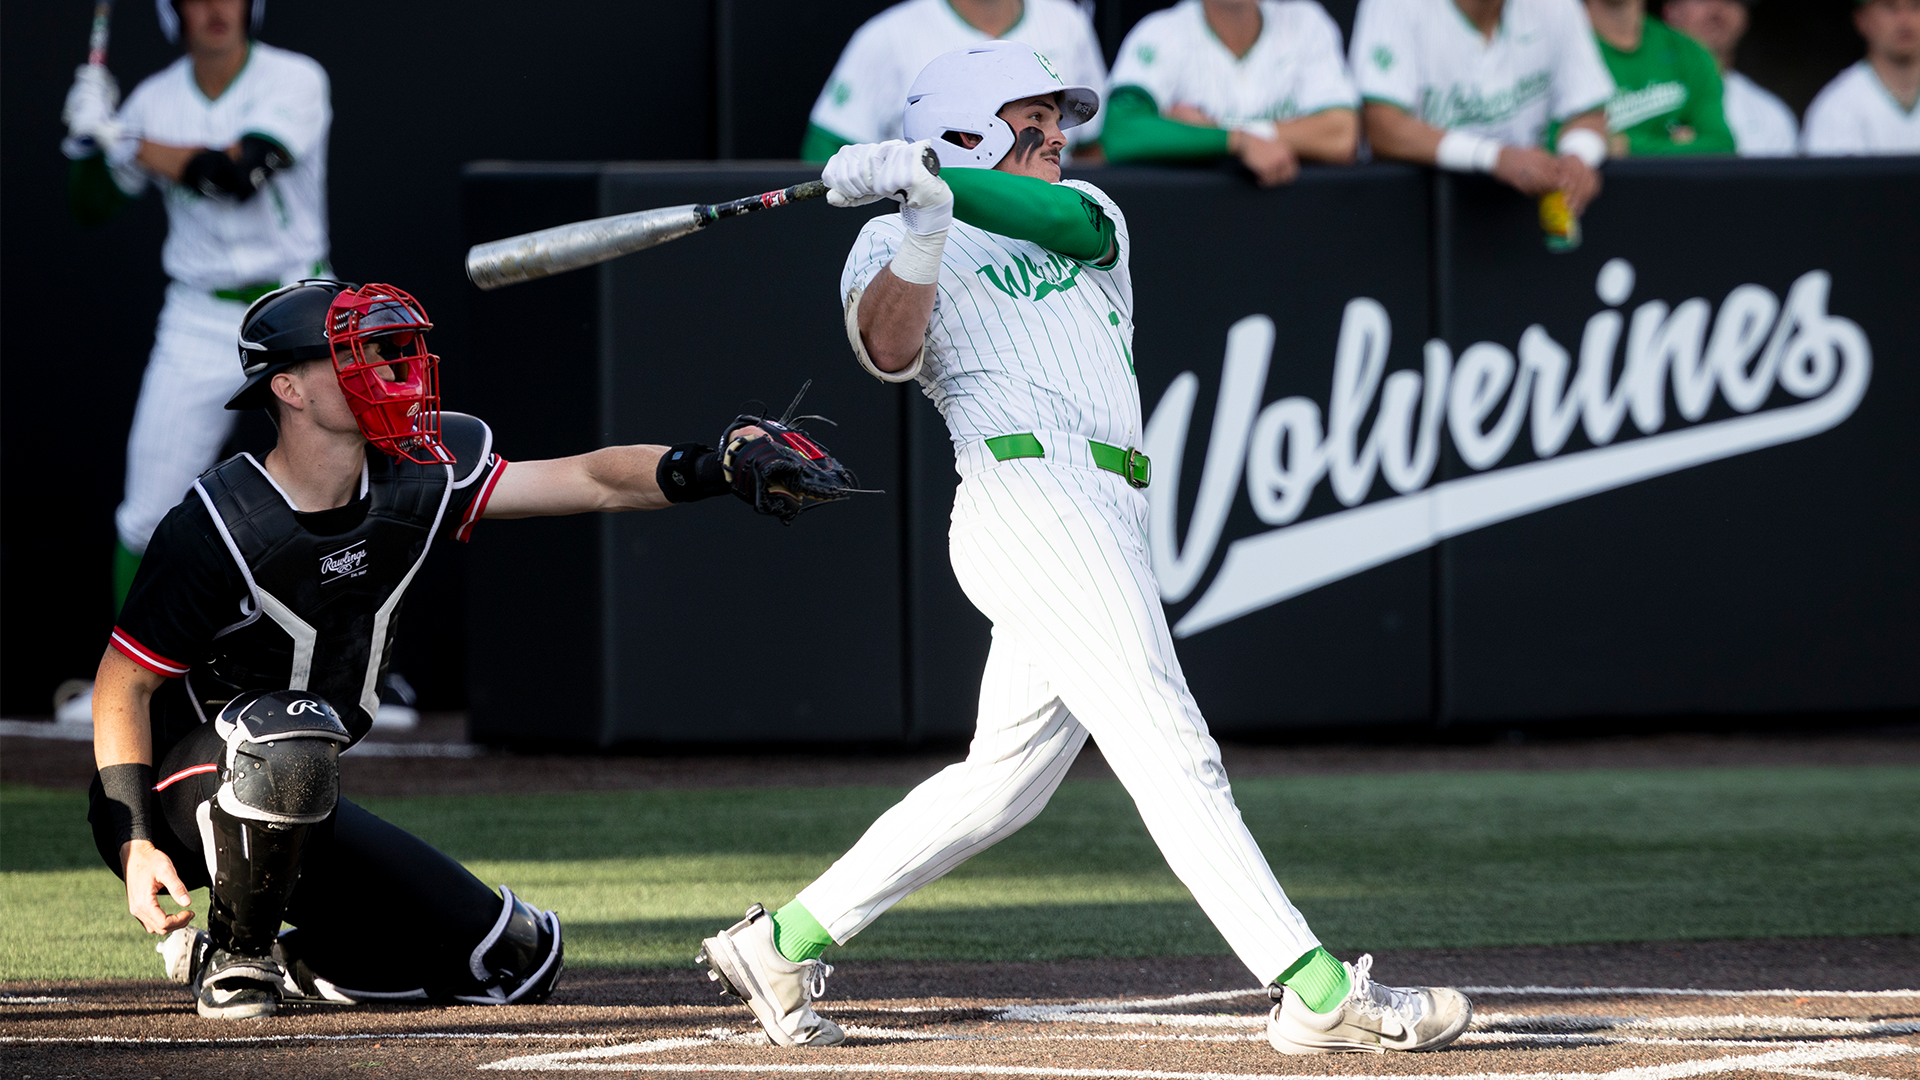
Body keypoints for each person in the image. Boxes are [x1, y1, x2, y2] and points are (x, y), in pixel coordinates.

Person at [695, 41, 1473, 1058]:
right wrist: (921, 218)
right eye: (1038, 115)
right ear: (972, 118)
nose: (1061, 134)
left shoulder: (1090, 217)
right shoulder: (888, 241)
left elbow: (1055, 216)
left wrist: (936, 182)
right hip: (1026, 498)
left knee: (1002, 785)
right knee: (1169, 740)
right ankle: (1315, 988)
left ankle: (782, 943)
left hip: (1105, 509)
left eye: (1060, 117)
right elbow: (890, 350)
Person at [91, 279, 808, 1019]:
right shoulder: (218, 523)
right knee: (289, 738)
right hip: (183, 795)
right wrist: (134, 841)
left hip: (302, 794)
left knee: (514, 958)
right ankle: (237, 961)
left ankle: (283, 958)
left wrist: (711, 468)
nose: (391, 370)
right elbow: (122, 688)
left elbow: (590, 479)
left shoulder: (419, 475)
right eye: (359, 354)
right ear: (289, 389)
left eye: (390, 351)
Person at [57, 0, 331, 724]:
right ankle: (127, 688)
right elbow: (90, 209)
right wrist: (85, 147)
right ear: (171, 12)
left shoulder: (295, 80)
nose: (214, 9)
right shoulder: (154, 100)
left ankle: (347, 675)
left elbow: (238, 172)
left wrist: (122, 138)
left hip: (300, 309)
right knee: (147, 515)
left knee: (343, 497)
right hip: (198, 313)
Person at [1349, 0, 1613, 221]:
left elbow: (1588, 110)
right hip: (1408, 223)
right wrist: (1492, 156)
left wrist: (1577, 157)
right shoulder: (1393, 5)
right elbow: (1383, 127)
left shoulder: (1555, 6)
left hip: (1515, 222)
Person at [802, 0, 1107, 162]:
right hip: (927, 226)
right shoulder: (887, 35)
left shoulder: (1068, 22)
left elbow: (1092, 148)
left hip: (1042, 232)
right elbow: (826, 155)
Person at [1102, 0, 1360, 186]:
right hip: (1196, 223)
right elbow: (1120, 132)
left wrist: (1222, 133)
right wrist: (1238, 143)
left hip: (1291, 223)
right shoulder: (1160, 32)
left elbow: (1340, 137)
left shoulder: (1307, 23)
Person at [1580, 0, 1735, 154]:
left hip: (1673, 179)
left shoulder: (1689, 52)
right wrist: (1677, 147)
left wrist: (1623, 145)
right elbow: (1560, 146)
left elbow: (1721, 147)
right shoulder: (1563, 49)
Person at [1662, 0, 1799, 155]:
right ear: (1670, 10)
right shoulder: (1640, 96)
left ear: (1745, 17)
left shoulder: (1772, 116)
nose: (1716, 10)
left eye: (1730, 0)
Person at [1802, 0, 1920, 155]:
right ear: (1861, 19)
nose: (1904, 19)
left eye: (1916, 6)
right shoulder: (1837, 107)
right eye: (1889, 6)